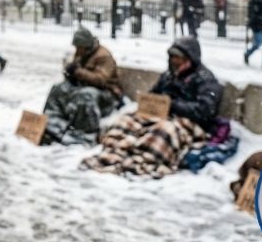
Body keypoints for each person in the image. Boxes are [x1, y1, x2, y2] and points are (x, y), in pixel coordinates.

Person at [82, 37, 222, 178]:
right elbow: (153, 95)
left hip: (187, 122)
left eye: (178, 57)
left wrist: (173, 105)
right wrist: (149, 103)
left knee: (163, 131)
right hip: (159, 115)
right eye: (172, 57)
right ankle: (114, 155)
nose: (174, 60)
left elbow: (205, 110)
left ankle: (141, 160)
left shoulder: (205, 79)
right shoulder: (168, 76)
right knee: (126, 122)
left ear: (189, 58)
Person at [41, 26, 122, 145]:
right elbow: (75, 73)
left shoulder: (104, 56)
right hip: (85, 87)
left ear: (87, 45)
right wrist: (69, 72)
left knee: (85, 95)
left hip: (107, 95)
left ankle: (84, 134)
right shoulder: (81, 53)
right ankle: (53, 123)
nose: (77, 50)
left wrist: (79, 72)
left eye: (80, 48)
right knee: (58, 89)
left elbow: (101, 80)